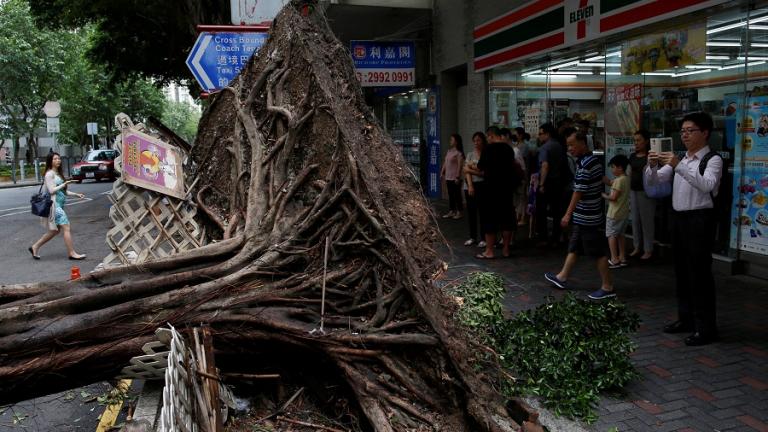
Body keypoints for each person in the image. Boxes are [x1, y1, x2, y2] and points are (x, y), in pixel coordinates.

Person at [645, 112, 723, 346]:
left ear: (705, 133)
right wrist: (652, 167)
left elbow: (707, 184)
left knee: (699, 275)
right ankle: (686, 319)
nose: (685, 135)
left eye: (691, 130)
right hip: (678, 220)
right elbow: (656, 182)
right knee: (681, 273)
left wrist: (678, 165)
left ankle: (706, 328)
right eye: (683, 131)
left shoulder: (713, 159)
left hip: (700, 220)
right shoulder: (680, 159)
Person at [544, 131, 614, 300]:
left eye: (572, 145)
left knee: (597, 251)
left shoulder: (585, 164)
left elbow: (578, 192)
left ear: (583, 143)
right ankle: (562, 277)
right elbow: (599, 180)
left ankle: (607, 286)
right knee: (575, 246)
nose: (570, 149)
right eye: (568, 145)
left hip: (588, 217)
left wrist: (567, 214)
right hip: (585, 215)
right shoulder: (592, 161)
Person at [29, 152, 87, 260]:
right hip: (54, 206)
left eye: (59, 159)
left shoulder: (58, 174)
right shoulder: (49, 174)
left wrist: (76, 194)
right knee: (66, 226)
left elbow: (63, 192)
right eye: (55, 159)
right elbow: (51, 191)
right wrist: (63, 184)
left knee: (55, 231)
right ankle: (72, 253)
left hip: (59, 205)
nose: (58, 161)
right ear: (50, 161)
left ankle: (34, 247)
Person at [476, 126, 517, 259]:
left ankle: (489, 251)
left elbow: (480, 166)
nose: (487, 139)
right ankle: (506, 249)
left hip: (490, 189)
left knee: (490, 220)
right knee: (507, 219)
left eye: (488, 137)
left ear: (491, 136)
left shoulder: (488, 149)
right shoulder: (508, 149)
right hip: (506, 189)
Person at [536, 122, 566, 246]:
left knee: (541, 210)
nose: (539, 136)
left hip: (548, 181)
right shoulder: (559, 145)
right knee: (557, 211)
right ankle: (556, 236)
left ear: (547, 134)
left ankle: (543, 237)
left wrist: (542, 184)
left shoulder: (545, 147)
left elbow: (545, 165)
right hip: (559, 181)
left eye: (540, 134)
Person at [629, 130, 655, 260]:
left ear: (646, 141)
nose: (636, 143)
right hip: (633, 191)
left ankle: (648, 249)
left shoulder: (650, 156)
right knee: (635, 220)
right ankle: (636, 247)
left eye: (639, 140)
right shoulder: (632, 156)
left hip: (646, 192)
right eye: (635, 141)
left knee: (647, 221)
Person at [603, 155, 631, 269]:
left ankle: (614, 259)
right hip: (623, 213)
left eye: (613, 167)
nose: (612, 169)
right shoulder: (626, 178)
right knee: (620, 235)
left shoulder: (618, 181)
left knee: (611, 235)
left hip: (614, 213)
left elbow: (613, 197)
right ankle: (622, 258)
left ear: (620, 168)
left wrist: (604, 195)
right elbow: (612, 183)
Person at [463, 132, 487, 246]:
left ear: (483, 141)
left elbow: (484, 173)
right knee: (471, 212)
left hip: (482, 185)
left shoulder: (486, 154)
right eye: (475, 140)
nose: (476, 143)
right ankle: (472, 236)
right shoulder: (470, 155)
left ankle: (484, 238)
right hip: (470, 185)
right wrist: (470, 186)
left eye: (478, 140)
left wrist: (471, 169)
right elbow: (466, 171)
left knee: (483, 212)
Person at [440, 134, 464, 219]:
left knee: (457, 195)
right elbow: (445, 162)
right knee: (450, 195)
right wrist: (442, 172)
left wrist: (457, 177)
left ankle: (460, 212)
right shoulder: (449, 151)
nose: (450, 141)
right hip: (448, 177)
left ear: (456, 142)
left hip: (455, 178)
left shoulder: (459, 153)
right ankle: (452, 211)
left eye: (452, 140)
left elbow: (460, 166)